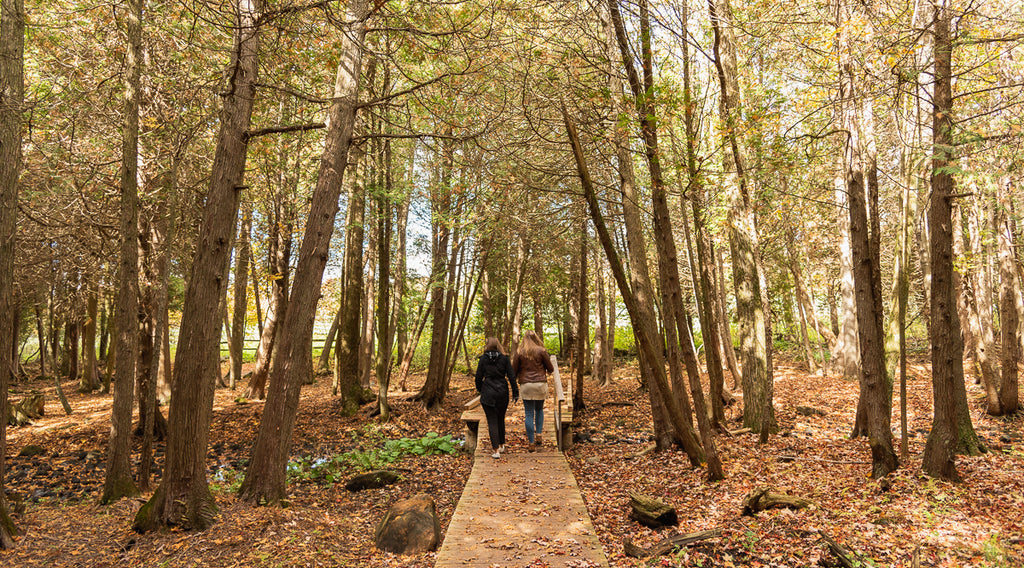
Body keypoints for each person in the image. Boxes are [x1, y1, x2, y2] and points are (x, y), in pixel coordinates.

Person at [475, 337, 518, 459]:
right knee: (500, 418)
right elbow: (511, 376)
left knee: (492, 420)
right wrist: (515, 391)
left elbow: (478, 376)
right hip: (502, 391)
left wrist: (480, 389)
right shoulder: (504, 359)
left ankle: (496, 451)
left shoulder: (483, 359)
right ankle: (501, 444)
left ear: (487, 346)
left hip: (488, 392)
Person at [512, 330, 554, 452]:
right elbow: (550, 368)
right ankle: (539, 434)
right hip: (540, 384)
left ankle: (531, 443)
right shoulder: (542, 351)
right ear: (536, 338)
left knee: (529, 413)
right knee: (539, 409)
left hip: (526, 385)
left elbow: (513, 371)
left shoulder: (520, 352)